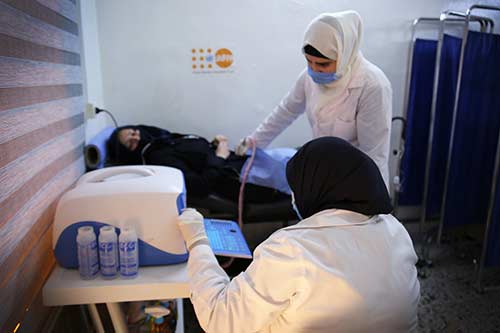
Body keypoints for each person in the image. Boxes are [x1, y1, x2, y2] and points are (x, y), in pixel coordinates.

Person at [177, 137, 420, 332]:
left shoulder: (292, 248)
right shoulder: (395, 229)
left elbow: (221, 320)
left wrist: (198, 242)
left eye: (296, 187)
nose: (294, 196)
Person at [236, 11, 392, 187]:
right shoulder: (309, 77)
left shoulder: (372, 85)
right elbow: (286, 111)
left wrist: (367, 199)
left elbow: (373, 154)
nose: (314, 69)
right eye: (309, 61)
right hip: (324, 174)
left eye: (323, 64)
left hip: (358, 182)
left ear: (344, 54)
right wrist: (253, 143)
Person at [106, 125, 288, 202]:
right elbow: (200, 185)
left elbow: (196, 155)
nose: (136, 137)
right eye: (130, 142)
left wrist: (214, 143)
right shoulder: (159, 160)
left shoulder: (163, 141)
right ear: (128, 153)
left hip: (239, 161)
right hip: (236, 178)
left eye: (133, 132)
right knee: (296, 175)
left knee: (291, 157)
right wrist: (219, 157)